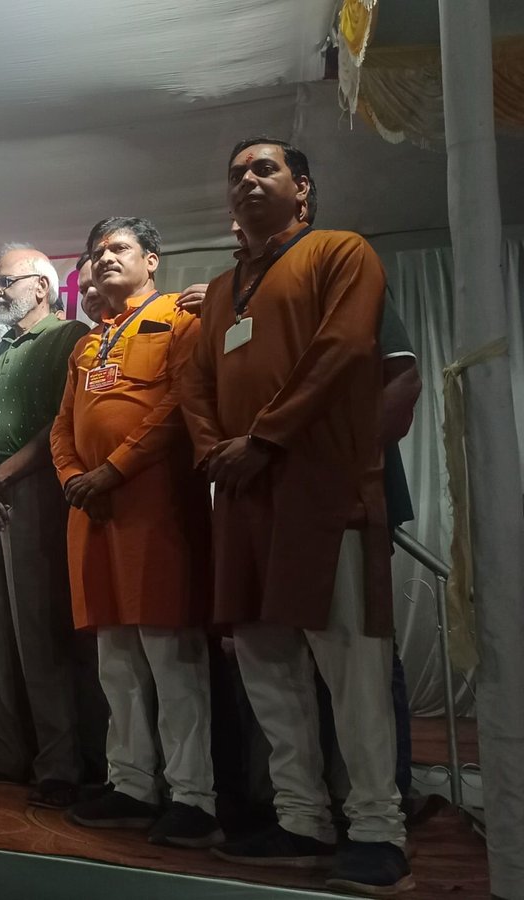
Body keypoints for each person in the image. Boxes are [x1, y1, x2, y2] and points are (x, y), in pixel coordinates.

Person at [179, 137, 408, 895]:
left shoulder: (342, 253)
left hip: (323, 488)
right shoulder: (221, 292)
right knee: (265, 659)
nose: (246, 179)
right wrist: (213, 451)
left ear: (302, 189)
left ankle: (377, 828)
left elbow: (343, 348)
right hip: (243, 497)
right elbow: (195, 383)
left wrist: (265, 439)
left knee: (351, 664)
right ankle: (302, 818)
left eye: (264, 168)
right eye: (235, 173)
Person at [49, 217, 220, 848]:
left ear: (152, 260)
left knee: (172, 659)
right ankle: (131, 784)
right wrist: (73, 475)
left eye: (119, 248)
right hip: (92, 515)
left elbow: (179, 407)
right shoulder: (88, 342)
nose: (104, 258)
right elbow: (62, 424)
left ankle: (193, 797)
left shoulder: (181, 318)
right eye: (97, 251)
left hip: (155, 512)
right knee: (115, 659)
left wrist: (112, 470)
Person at [0, 245, 90, 807]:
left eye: (5, 282)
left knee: (40, 630)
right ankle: (3, 751)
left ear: (42, 287)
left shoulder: (69, 337)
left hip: (34, 490)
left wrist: (1, 478)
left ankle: (60, 762)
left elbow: (60, 424)